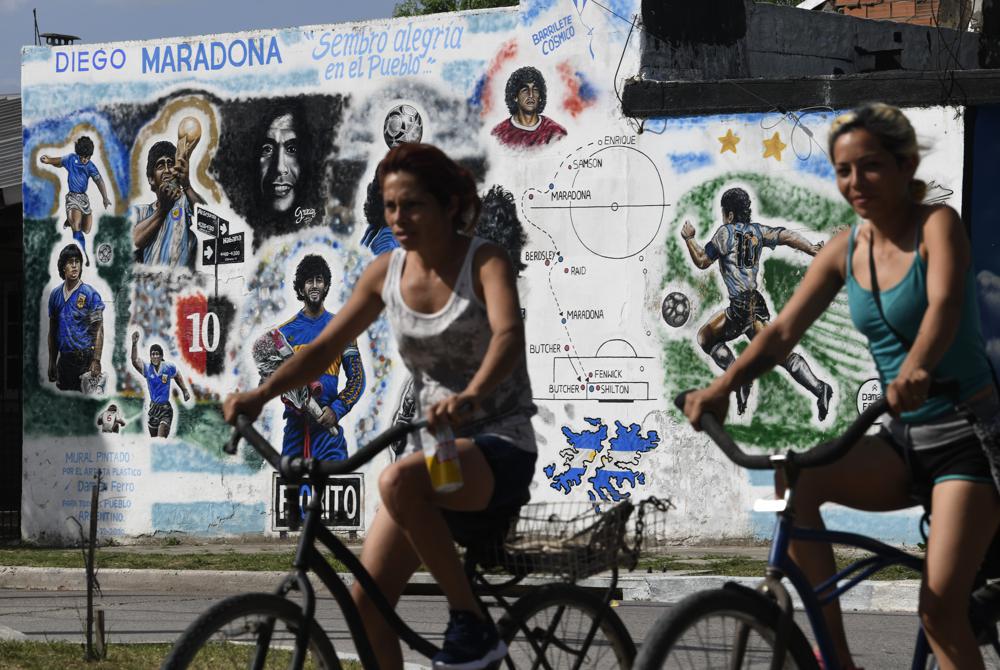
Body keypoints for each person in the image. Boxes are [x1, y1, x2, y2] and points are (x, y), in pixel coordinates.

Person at [681, 103, 1000, 670]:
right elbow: (778, 333)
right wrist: (722, 386)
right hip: (903, 440)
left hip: (966, 440)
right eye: (844, 170)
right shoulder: (844, 250)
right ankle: (837, 660)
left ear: (905, 167)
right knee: (795, 477)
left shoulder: (936, 226)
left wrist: (918, 367)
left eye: (871, 166)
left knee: (939, 610)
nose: (856, 182)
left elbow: (946, 305)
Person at [224, 143, 537, 670]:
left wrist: (469, 397)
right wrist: (259, 396)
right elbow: (323, 349)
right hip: (436, 451)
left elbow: (508, 337)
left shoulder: (484, 261)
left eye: (412, 205)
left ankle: (472, 624)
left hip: (497, 444)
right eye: (391, 207)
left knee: (395, 481)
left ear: (447, 206)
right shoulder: (385, 274)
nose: (399, 218)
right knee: (365, 602)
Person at [681, 187, 833, 419]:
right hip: (754, 304)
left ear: (729, 214)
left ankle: (741, 378)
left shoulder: (725, 233)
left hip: (741, 307)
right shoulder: (757, 231)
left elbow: (702, 261)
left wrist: (690, 239)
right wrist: (811, 248)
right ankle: (820, 388)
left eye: (724, 213)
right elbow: (786, 236)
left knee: (706, 338)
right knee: (780, 354)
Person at [274, 254, 365, 461]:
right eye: (309, 281)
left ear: (326, 286)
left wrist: (337, 410)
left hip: (328, 433)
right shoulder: (284, 334)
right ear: (300, 287)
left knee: (336, 486)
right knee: (292, 491)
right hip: (294, 432)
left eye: (319, 280)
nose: (314, 285)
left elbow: (358, 379)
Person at [40, 136, 112, 267]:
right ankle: (82, 254)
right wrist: (49, 160)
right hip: (72, 197)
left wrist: (105, 198)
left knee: (87, 229)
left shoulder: (90, 166)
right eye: (83, 157)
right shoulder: (71, 159)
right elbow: (59, 161)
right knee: (77, 228)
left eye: (88, 157)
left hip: (84, 199)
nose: (85, 160)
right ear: (78, 154)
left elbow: (99, 181)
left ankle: (71, 219)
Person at [131, 140, 204, 269]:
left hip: (181, 285)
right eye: (160, 166)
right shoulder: (141, 212)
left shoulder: (184, 202)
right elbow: (134, 240)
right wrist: (162, 210)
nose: (167, 170)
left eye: (170, 164)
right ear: (151, 179)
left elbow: (205, 215)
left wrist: (186, 185)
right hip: (151, 285)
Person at [47, 244, 105, 392]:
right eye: (70, 262)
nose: (74, 266)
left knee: (84, 405)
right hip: (64, 361)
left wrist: (96, 360)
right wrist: (52, 362)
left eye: (77, 261)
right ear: (63, 266)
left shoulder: (90, 294)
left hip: (85, 361)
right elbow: (52, 331)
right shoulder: (55, 295)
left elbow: (99, 330)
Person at [131, 332, 191, 438]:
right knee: (154, 441)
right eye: (152, 354)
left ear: (161, 355)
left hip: (165, 410)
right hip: (153, 409)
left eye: (157, 354)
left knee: (161, 439)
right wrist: (134, 344)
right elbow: (135, 361)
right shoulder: (147, 368)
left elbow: (177, 375)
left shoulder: (168, 367)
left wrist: (185, 390)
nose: (154, 356)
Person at [491, 66, 567, 149]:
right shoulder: (499, 134)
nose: (531, 95)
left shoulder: (554, 133)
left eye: (535, 90)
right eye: (525, 90)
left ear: (540, 97)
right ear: (515, 96)